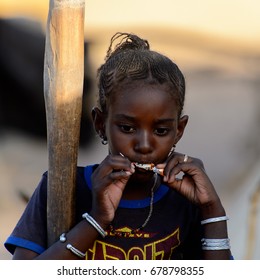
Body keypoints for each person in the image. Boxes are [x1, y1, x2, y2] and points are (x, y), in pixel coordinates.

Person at [5, 32, 232, 260]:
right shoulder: (62, 188)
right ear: (101, 124)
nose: (144, 145)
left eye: (161, 131)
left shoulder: (185, 203)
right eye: (127, 128)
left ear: (179, 131)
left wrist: (212, 210)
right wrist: (96, 220)